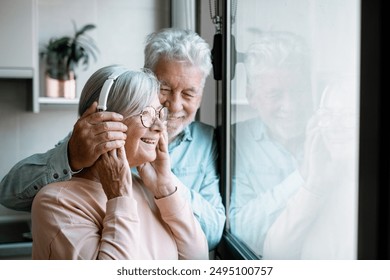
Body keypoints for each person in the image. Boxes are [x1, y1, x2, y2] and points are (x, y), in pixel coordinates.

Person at [0, 28, 225, 251]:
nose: (174, 106)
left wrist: (167, 184)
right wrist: (71, 155)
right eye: (164, 89)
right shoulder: (101, 135)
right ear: (145, 80)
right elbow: (9, 195)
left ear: (201, 95)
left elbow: (213, 234)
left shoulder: (207, 140)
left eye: (188, 94)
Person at [31, 65, 209, 260]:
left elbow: (198, 260)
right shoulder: (57, 203)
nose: (159, 127)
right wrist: (120, 197)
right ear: (103, 121)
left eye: (159, 114)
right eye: (147, 114)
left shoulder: (151, 191)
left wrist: (166, 188)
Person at [229, 31, 314, 258]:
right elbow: (242, 231)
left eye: (299, 91)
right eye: (275, 94)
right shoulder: (234, 140)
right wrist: (303, 177)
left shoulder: (330, 135)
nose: (291, 106)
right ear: (251, 96)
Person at [262, 77, 358, 259]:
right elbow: (274, 254)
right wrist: (313, 186)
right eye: (327, 115)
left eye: (348, 115)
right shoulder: (322, 185)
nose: (334, 127)